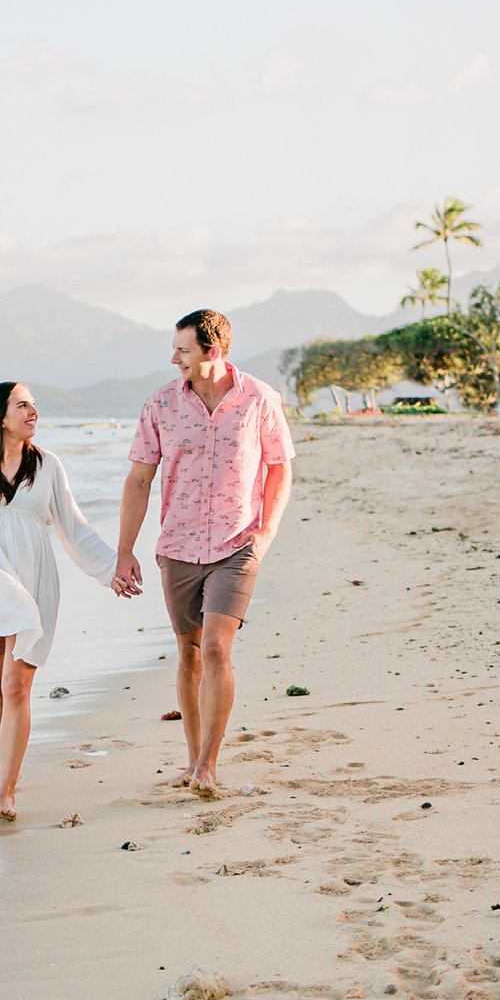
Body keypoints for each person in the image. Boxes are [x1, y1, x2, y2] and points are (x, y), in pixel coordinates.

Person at [110, 309, 294, 797]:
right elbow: (139, 479)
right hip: (178, 546)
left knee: (216, 647)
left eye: (183, 350)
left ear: (213, 351)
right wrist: (124, 550)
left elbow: (279, 468)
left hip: (238, 543)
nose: (174, 359)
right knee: (189, 652)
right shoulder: (161, 405)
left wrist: (266, 532)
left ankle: (209, 765)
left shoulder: (260, 399)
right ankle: (192, 758)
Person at [0, 380, 117, 821]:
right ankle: (7, 772)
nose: (34, 411)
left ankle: (6, 793)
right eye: (23, 405)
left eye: (34, 404)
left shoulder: (48, 465)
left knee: (17, 685)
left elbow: (74, 526)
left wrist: (112, 570)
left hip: (32, 583)